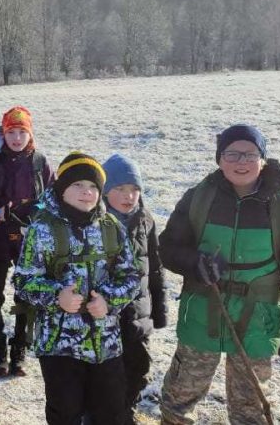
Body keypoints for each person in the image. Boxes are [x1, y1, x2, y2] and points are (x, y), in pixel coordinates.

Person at [158, 124, 280, 425]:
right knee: (179, 400)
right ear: (219, 159)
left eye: (249, 154)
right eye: (231, 154)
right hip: (202, 315)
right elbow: (167, 248)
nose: (240, 162)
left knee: (251, 408)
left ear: (263, 159)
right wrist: (195, 262)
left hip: (257, 319)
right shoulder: (199, 197)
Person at [13, 151, 140, 425]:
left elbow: (130, 276)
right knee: (65, 414)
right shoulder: (42, 229)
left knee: (112, 414)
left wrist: (109, 301)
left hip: (106, 344)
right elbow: (23, 281)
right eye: (78, 185)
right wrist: (57, 296)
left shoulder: (112, 228)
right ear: (61, 189)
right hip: (59, 347)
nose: (87, 192)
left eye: (93, 186)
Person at [0, 106, 54, 377]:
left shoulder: (40, 163)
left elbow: (53, 200)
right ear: (3, 134)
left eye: (22, 132)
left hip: (28, 242)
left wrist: (39, 215)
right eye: (11, 132)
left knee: (26, 295)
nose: (17, 138)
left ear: (30, 134)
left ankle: (20, 347)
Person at [101, 154, 167, 423]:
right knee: (107, 376)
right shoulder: (95, 222)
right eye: (120, 189)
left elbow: (155, 267)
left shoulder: (145, 219)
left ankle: (127, 411)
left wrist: (159, 312)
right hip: (106, 318)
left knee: (138, 369)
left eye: (134, 190)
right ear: (105, 191)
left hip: (139, 315)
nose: (129, 196)